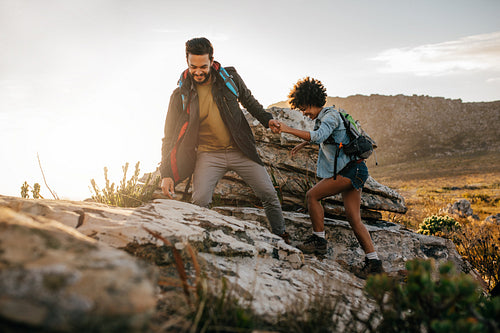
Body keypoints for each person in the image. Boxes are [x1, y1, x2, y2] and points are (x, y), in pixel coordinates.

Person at [160, 37, 289, 243]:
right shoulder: (179, 95)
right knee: (200, 200)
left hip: (240, 150)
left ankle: (281, 236)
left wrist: (268, 120)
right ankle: (200, 242)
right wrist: (166, 173)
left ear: (212, 60)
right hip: (208, 154)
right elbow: (169, 136)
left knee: (268, 193)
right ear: (187, 62)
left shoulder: (230, 78)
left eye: (203, 66)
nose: (198, 71)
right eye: (193, 66)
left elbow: (249, 101)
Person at [277, 77, 383, 278]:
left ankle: (319, 241)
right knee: (354, 219)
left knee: (312, 196)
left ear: (310, 101)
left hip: (350, 171)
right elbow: (324, 135)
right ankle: (374, 263)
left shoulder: (330, 116)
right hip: (356, 169)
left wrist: (287, 129)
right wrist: (302, 144)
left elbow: (318, 136)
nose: (303, 113)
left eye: (303, 108)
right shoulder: (328, 115)